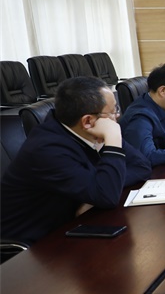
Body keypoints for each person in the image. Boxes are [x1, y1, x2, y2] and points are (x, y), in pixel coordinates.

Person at [1, 77, 151, 245]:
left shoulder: (86, 130)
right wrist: (113, 140)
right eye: (112, 111)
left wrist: (101, 188)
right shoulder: (47, 149)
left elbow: (142, 165)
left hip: (71, 228)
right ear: (87, 121)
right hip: (32, 247)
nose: (117, 117)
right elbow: (107, 196)